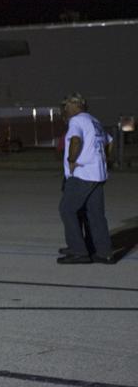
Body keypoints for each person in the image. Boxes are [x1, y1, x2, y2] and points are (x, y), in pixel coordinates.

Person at [57, 94, 116, 265]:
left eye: (66, 105)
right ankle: (104, 252)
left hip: (82, 174)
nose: (64, 109)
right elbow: (110, 141)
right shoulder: (94, 121)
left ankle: (78, 251)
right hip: (97, 174)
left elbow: (76, 140)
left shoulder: (76, 121)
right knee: (96, 215)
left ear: (74, 105)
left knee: (67, 210)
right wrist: (103, 159)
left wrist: (71, 160)